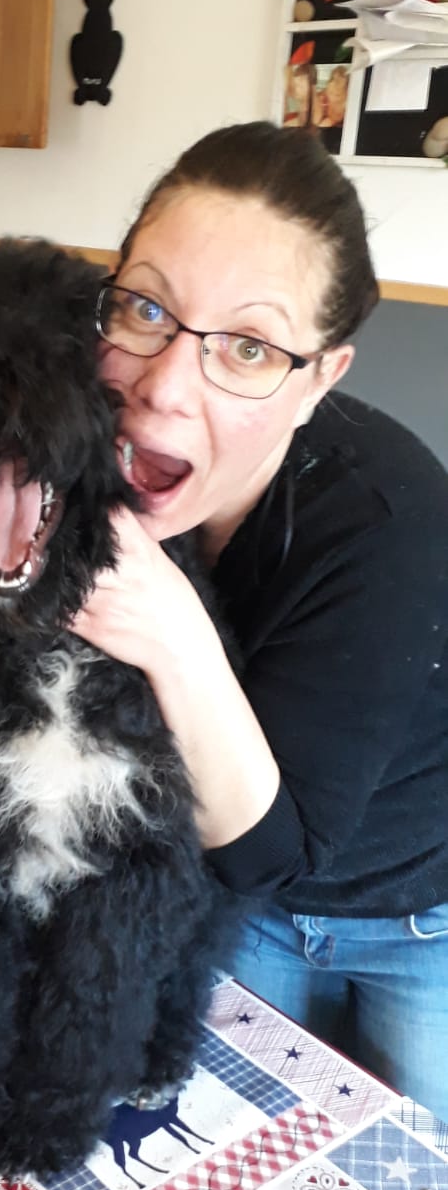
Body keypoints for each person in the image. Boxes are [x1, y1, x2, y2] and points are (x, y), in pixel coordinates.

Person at [72, 121, 448, 1120]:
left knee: (418, 1180)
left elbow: (280, 845)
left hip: (417, 917)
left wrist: (173, 632)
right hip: (233, 899)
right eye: (145, 308)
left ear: (319, 378)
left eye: (248, 346)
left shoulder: (388, 522)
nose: (162, 386)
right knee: (225, 1138)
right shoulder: (77, 446)